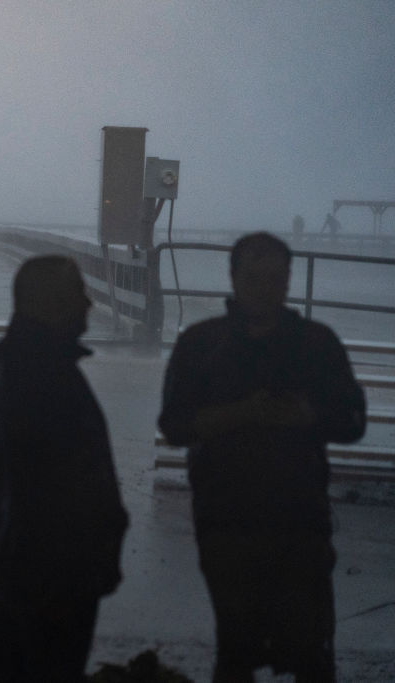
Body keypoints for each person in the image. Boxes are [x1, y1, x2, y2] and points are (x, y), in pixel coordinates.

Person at [158, 232, 366, 683]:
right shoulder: (313, 342)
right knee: (252, 650)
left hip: (290, 521)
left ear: (288, 280)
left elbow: (352, 420)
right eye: (254, 277)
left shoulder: (204, 342)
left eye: (273, 277)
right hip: (232, 520)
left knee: (294, 652)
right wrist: (265, 414)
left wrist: (300, 414)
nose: (264, 287)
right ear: (233, 278)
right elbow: (172, 425)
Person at [0, 255, 128, 682]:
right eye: (79, 294)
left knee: (4, 665)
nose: (88, 303)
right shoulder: (49, 376)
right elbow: (69, 480)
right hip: (54, 572)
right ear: (51, 304)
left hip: (2, 558)